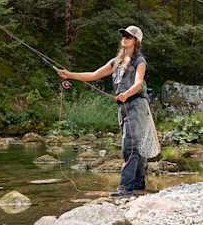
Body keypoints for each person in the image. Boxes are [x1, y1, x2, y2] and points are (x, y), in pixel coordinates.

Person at [55, 25, 160, 197]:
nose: (125, 38)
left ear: (136, 42)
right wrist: (70, 75)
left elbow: (139, 83)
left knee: (131, 146)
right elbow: (94, 75)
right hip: (123, 108)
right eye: (124, 35)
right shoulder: (115, 62)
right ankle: (138, 185)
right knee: (135, 145)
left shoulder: (139, 61)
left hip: (137, 106)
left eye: (129, 36)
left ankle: (125, 188)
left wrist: (125, 94)